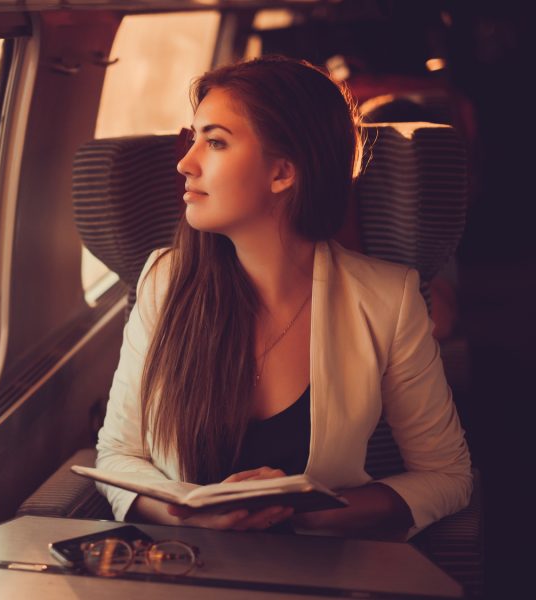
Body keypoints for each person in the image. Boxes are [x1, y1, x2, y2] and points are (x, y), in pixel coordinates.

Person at [95, 55, 472, 541]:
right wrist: (191, 512)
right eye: (194, 140)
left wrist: (309, 511)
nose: (185, 163)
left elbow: (447, 476)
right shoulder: (163, 281)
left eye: (214, 142)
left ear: (283, 174)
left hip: (324, 573)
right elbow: (119, 455)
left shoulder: (387, 299)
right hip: (185, 568)